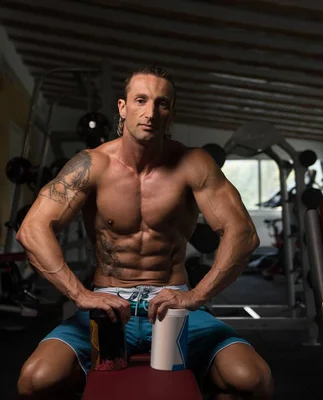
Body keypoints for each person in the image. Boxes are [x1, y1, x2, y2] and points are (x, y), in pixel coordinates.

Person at [15, 66, 273, 399]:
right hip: (108, 305)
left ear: (171, 113)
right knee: (35, 380)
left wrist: (197, 296)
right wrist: (80, 295)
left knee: (253, 380)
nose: (150, 112)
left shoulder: (194, 163)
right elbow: (32, 229)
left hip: (174, 305)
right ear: (123, 108)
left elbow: (242, 232)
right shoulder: (91, 164)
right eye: (141, 100)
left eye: (161, 103)